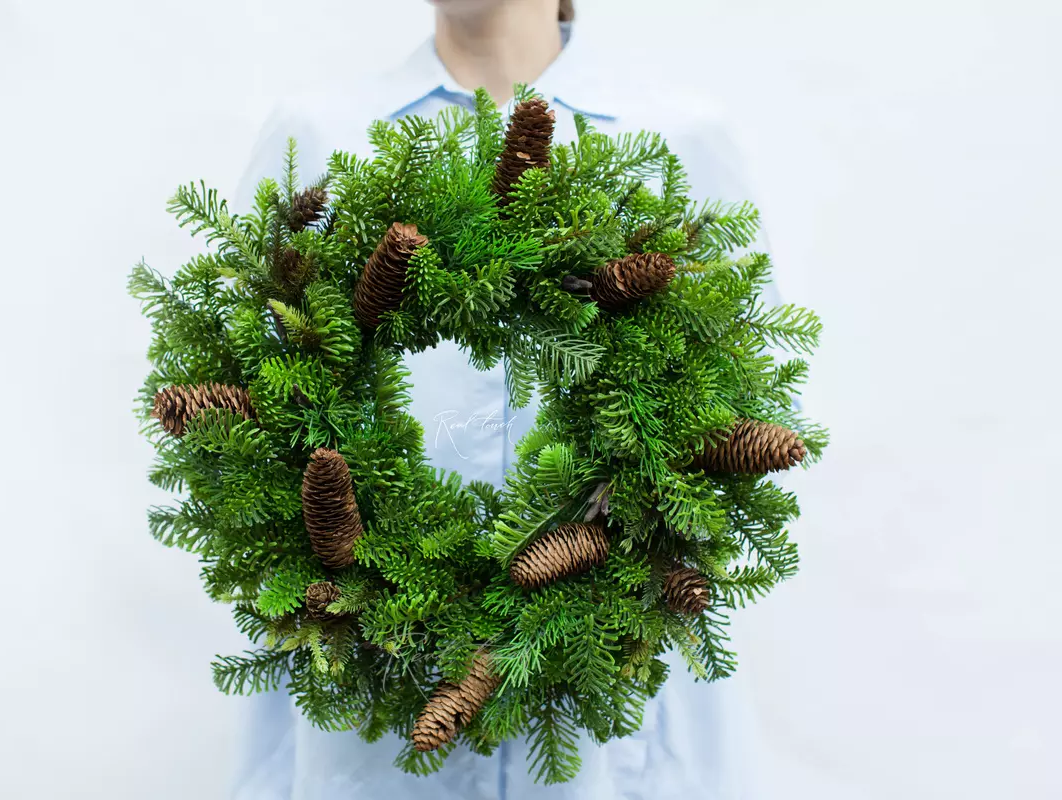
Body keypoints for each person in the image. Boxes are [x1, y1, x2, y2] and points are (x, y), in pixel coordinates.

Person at [231, 2, 774, 797]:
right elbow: (246, 422)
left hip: (611, 732)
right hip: (379, 726)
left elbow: (738, 415)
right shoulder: (318, 136)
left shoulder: (678, 137)